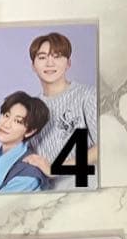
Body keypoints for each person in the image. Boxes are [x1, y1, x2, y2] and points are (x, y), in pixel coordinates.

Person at [25, 32, 99, 186]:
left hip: (86, 185)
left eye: (57, 56)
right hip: (49, 192)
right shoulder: (30, 110)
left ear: (68, 63)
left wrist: (56, 168)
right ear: (33, 66)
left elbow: (103, 147)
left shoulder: (87, 95)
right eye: (42, 57)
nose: (50, 63)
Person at [0, 91, 51, 194]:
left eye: (18, 121)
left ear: (30, 131)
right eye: (6, 115)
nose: (6, 124)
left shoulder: (28, 174)